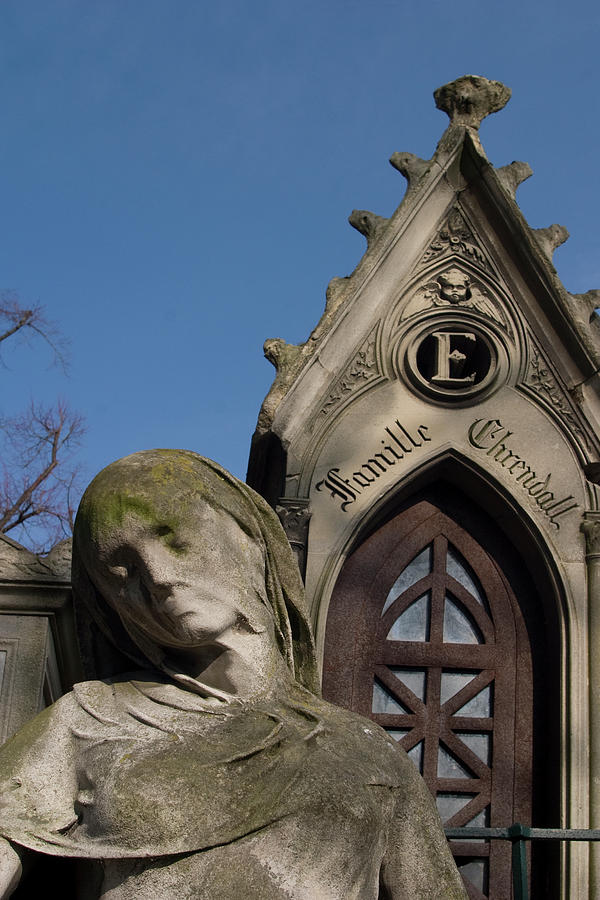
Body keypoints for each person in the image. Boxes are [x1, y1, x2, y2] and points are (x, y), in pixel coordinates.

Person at [0, 450, 466, 899]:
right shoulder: (86, 721)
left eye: (175, 538)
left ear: (249, 537)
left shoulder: (367, 752)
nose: (158, 576)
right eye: (123, 572)